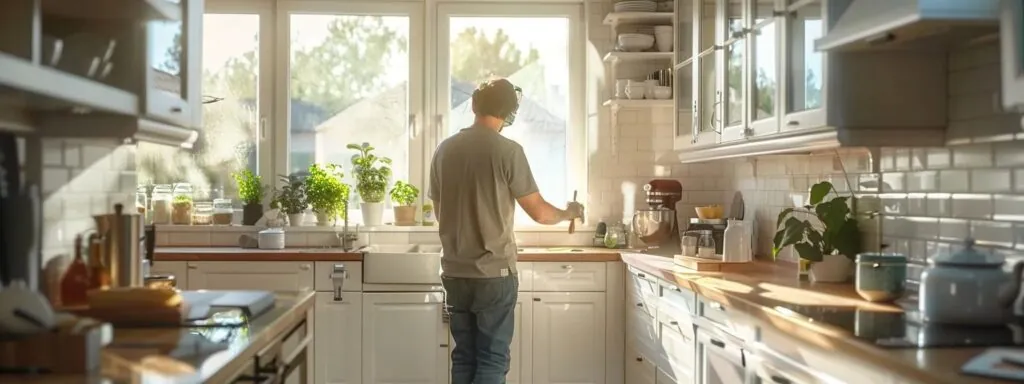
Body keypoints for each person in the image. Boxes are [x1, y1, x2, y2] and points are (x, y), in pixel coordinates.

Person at [428, 78, 585, 384]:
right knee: (491, 359)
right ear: (509, 112)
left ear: (474, 106)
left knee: (463, 357)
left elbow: (440, 212)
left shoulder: (444, 150)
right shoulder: (508, 151)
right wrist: (569, 212)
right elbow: (539, 212)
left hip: (455, 273)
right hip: (493, 275)